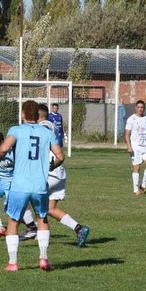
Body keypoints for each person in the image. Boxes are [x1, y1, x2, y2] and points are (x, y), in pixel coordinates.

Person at [0, 100, 63, 272]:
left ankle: (13, 263)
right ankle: (43, 259)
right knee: (42, 219)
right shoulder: (47, 132)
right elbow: (60, 156)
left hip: (20, 185)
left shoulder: (16, 130)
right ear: (38, 116)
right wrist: (52, 166)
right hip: (40, 185)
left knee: (13, 221)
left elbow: (3, 148)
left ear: (23, 114)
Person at [36, 103, 90, 247]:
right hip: (59, 173)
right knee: (50, 209)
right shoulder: (49, 125)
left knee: (31, 197)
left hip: (50, 171)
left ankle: (34, 230)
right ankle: (79, 229)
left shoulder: (43, 126)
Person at [0, 129, 38, 238]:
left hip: (13, 181)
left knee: (13, 210)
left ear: (3, 142)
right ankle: (0, 227)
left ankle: (33, 227)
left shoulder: (14, 152)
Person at [124, 100, 146, 195]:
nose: (140, 109)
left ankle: (143, 185)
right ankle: (135, 190)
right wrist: (129, 146)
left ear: (144, 108)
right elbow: (127, 134)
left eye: (142, 107)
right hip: (135, 147)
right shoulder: (131, 119)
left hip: (145, 147)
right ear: (135, 108)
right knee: (137, 168)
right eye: (138, 107)